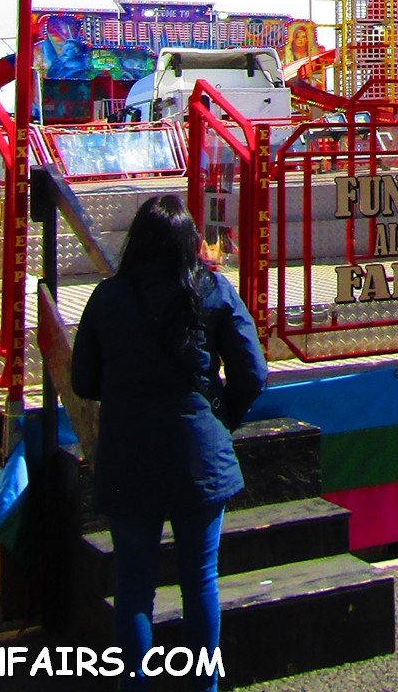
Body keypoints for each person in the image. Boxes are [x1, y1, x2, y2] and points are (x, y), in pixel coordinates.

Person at [71, 195, 269, 690]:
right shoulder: (213, 291)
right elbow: (253, 373)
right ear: (189, 242)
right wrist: (222, 418)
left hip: (127, 452)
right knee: (199, 580)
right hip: (198, 451)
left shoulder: (106, 297)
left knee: (133, 589)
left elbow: (83, 381)